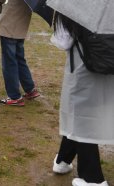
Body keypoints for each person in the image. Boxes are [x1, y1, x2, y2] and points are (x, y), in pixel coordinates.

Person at [50, 14, 112, 186]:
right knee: (82, 112)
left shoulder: (75, 5)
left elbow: (63, 42)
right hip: (108, 65)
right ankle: (63, 160)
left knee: (82, 115)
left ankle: (93, 179)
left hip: (83, 66)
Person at [0, 0, 40, 106]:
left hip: (9, 24)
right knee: (19, 59)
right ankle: (30, 89)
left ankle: (14, 96)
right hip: (21, 24)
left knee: (9, 62)